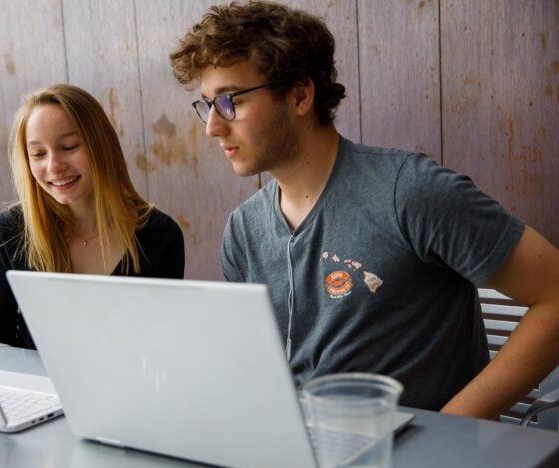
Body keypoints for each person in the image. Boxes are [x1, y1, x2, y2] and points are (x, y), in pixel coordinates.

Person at [169, 1, 559, 418]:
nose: (213, 126)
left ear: (300, 95)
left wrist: (456, 427)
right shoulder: (243, 230)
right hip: (301, 459)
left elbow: (555, 297)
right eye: (208, 105)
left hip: (424, 466)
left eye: (230, 101)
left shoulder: (409, 191)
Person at [0, 84, 185, 349]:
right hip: (37, 388)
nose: (54, 166)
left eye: (68, 146)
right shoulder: (9, 231)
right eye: (39, 154)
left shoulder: (159, 234)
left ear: (101, 146)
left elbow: (161, 342)